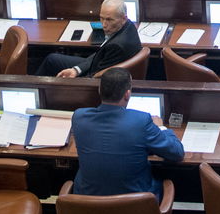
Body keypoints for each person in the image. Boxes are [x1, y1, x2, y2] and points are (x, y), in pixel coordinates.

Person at [71, 67, 184, 197]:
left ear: (99, 90)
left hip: (88, 205)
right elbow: (177, 152)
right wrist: (161, 127)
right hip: (135, 208)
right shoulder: (141, 121)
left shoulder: (79, 117)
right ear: (127, 94)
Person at [37, 0, 141, 77]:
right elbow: (99, 55)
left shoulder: (117, 46)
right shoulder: (129, 25)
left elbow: (94, 77)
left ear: (123, 18)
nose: (104, 25)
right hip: (97, 64)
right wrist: (76, 70)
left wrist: (76, 76)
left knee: (51, 61)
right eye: (101, 18)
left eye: (109, 20)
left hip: (96, 77)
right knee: (52, 59)